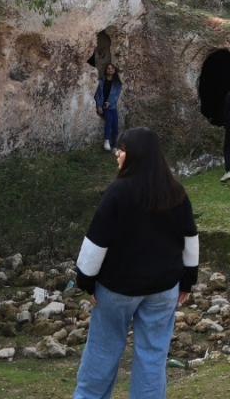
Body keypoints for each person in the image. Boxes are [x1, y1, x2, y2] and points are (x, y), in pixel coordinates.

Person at [74, 127, 199, 399]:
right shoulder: (175, 192)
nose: (117, 155)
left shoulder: (118, 192)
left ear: (134, 155)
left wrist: (86, 281)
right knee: (153, 358)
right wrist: (188, 280)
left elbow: (97, 242)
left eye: (122, 150)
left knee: (102, 354)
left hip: (118, 288)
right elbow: (190, 238)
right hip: (163, 288)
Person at [94, 63, 124, 151]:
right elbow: (98, 95)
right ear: (106, 70)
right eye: (108, 68)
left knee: (115, 125)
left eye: (112, 68)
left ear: (114, 71)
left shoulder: (117, 83)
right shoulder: (101, 81)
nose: (110, 70)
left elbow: (116, 96)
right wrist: (99, 106)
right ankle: (107, 141)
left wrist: (109, 103)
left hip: (112, 106)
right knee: (110, 120)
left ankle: (114, 145)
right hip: (103, 106)